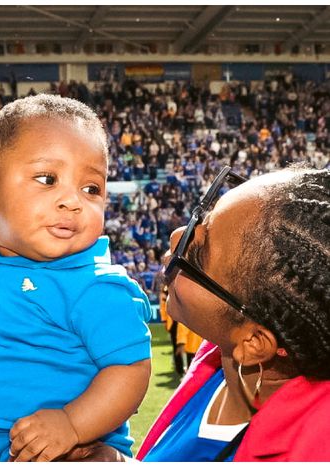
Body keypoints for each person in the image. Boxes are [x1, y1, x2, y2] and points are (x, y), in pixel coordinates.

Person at [0, 95, 152, 461]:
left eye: (91, 189)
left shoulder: (95, 286)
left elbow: (131, 369)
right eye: (48, 179)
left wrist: (71, 424)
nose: (72, 201)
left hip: (69, 453)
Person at [138, 166, 330, 461]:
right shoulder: (220, 357)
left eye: (199, 256)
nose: (177, 237)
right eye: (204, 216)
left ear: (253, 343)